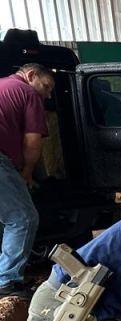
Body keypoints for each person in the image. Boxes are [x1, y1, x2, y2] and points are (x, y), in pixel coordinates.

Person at [0, 63, 54, 298]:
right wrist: (27, 172)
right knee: (23, 218)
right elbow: (33, 141)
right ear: (31, 76)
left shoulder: (2, 86)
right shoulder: (28, 92)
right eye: (47, 86)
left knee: (5, 219)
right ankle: (6, 281)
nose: (48, 94)